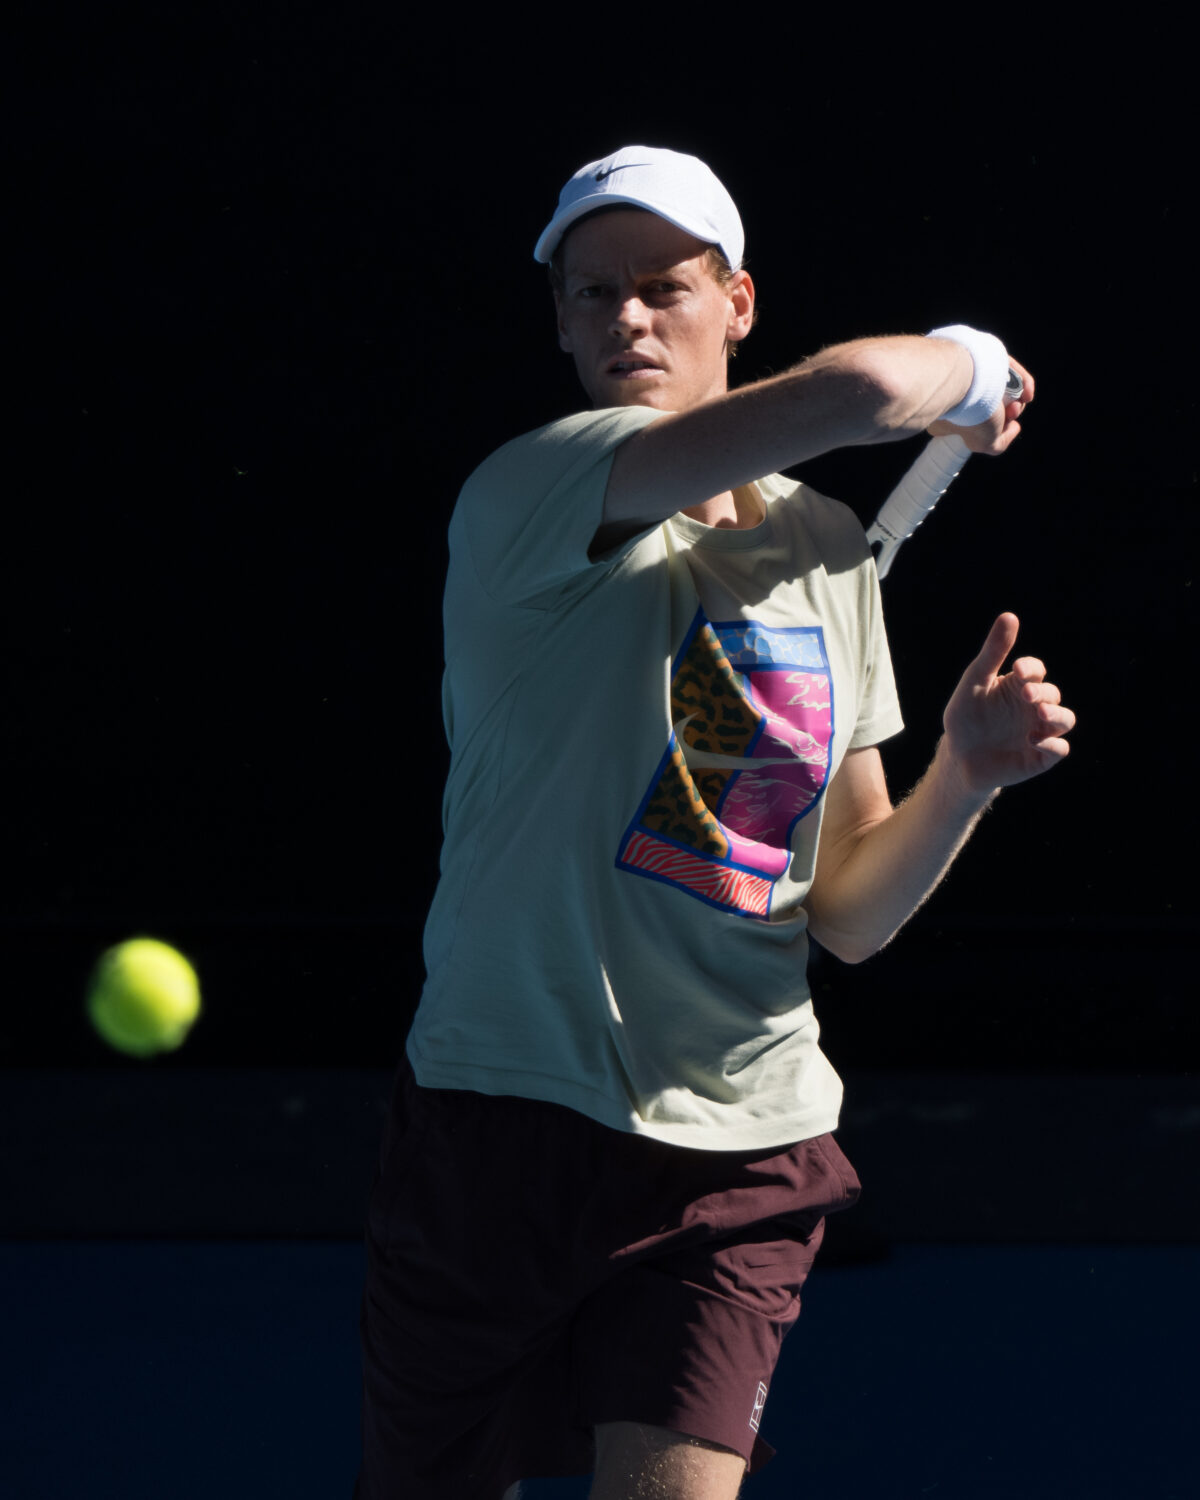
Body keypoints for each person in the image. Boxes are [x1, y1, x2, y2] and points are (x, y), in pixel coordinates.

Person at [355, 146, 1075, 1500]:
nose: (627, 318)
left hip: (737, 1142)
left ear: (737, 303)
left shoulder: (824, 550)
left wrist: (963, 778)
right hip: (497, 1126)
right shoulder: (535, 487)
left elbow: (849, 912)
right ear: (561, 322)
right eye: (592, 295)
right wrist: (970, 362)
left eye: (664, 287)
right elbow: (866, 390)